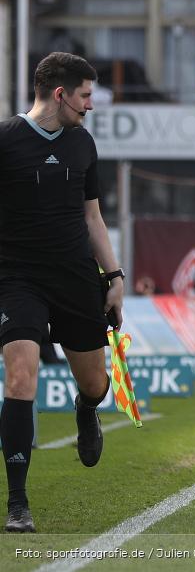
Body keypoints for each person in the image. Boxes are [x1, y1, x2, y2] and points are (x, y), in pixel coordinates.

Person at [0, 52, 124, 532]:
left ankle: (85, 408)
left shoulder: (83, 144)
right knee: (20, 377)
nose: (90, 105)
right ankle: (17, 504)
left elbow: (93, 218)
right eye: (86, 95)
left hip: (75, 277)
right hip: (17, 279)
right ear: (60, 93)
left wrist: (114, 278)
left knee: (95, 383)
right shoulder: (6, 140)